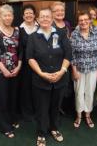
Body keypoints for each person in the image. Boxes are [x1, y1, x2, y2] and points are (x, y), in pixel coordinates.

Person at [26, 8, 71, 146]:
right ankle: (41, 133)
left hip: (60, 79)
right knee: (42, 108)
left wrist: (62, 71)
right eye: (42, 17)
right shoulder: (33, 37)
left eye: (47, 17)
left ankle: (54, 128)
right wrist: (41, 73)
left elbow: (68, 55)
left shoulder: (61, 33)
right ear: (37, 20)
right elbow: (30, 58)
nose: (45, 19)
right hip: (40, 80)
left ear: (52, 19)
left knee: (55, 106)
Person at [0, 4, 22, 138]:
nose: (8, 17)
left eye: (10, 15)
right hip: (1, 71)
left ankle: (12, 119)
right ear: (1, 16)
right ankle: (5, 127)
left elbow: (21, 51)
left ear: (13, 16)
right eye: (5, 15)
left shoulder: (17, 30)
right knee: (3, 99)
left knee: (13, 97)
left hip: (15, 70)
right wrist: (3, 70)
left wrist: (19, 66)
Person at [70, 11, 97, 129]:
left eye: (85, 19)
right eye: (81, 20)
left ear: (90, 20)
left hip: (93, 67)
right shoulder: (74, 34)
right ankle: (79, 115)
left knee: (90, 92)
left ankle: (88, 115)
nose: (83, 22)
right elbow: (71, 54)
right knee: (78, 92)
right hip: (78, 68)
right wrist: (74, 70)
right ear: (78, 22)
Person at [19, 4, 39, 121]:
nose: (29, 15)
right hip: (25, 64)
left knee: (37, 87)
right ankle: (27, 113)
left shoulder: (40, 27)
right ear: (23, 16)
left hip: (38, 63)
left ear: (34, 15)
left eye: (31, 13)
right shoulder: (19, 29)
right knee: (25, 88)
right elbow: (19, 48)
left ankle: (38, 111)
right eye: (26, 13)